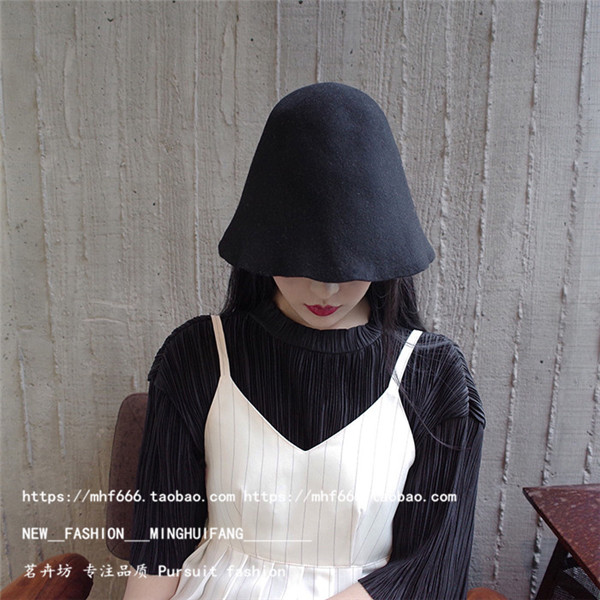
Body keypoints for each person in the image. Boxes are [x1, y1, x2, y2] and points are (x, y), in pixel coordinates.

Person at [123, 82, 485, 600]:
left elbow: (432, 566)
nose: (325, 290)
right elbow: (160, 547)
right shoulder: (198, 354)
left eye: (348, 265)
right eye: (299, 262)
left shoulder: (433, 375)